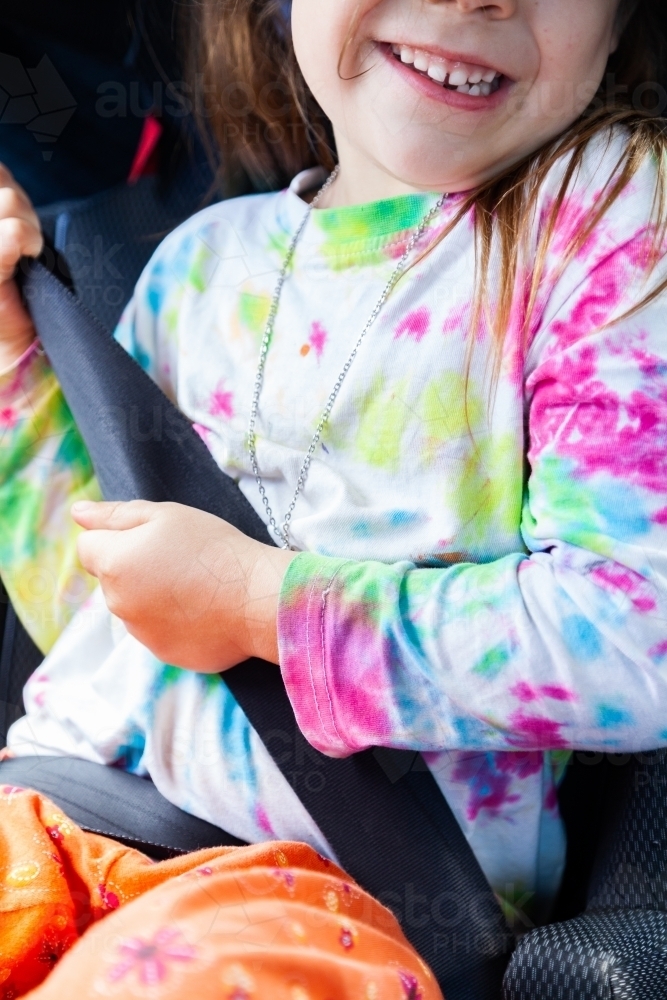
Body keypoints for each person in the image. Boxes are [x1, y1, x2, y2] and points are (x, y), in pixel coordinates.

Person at [0, 0, 667, 993]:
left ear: (621, 25)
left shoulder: (602, 216)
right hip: (53, 814)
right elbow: (107, 611)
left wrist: (271, 606)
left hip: (331, 901)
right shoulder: (199, 262)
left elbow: (636, 633)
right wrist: (14, 354)